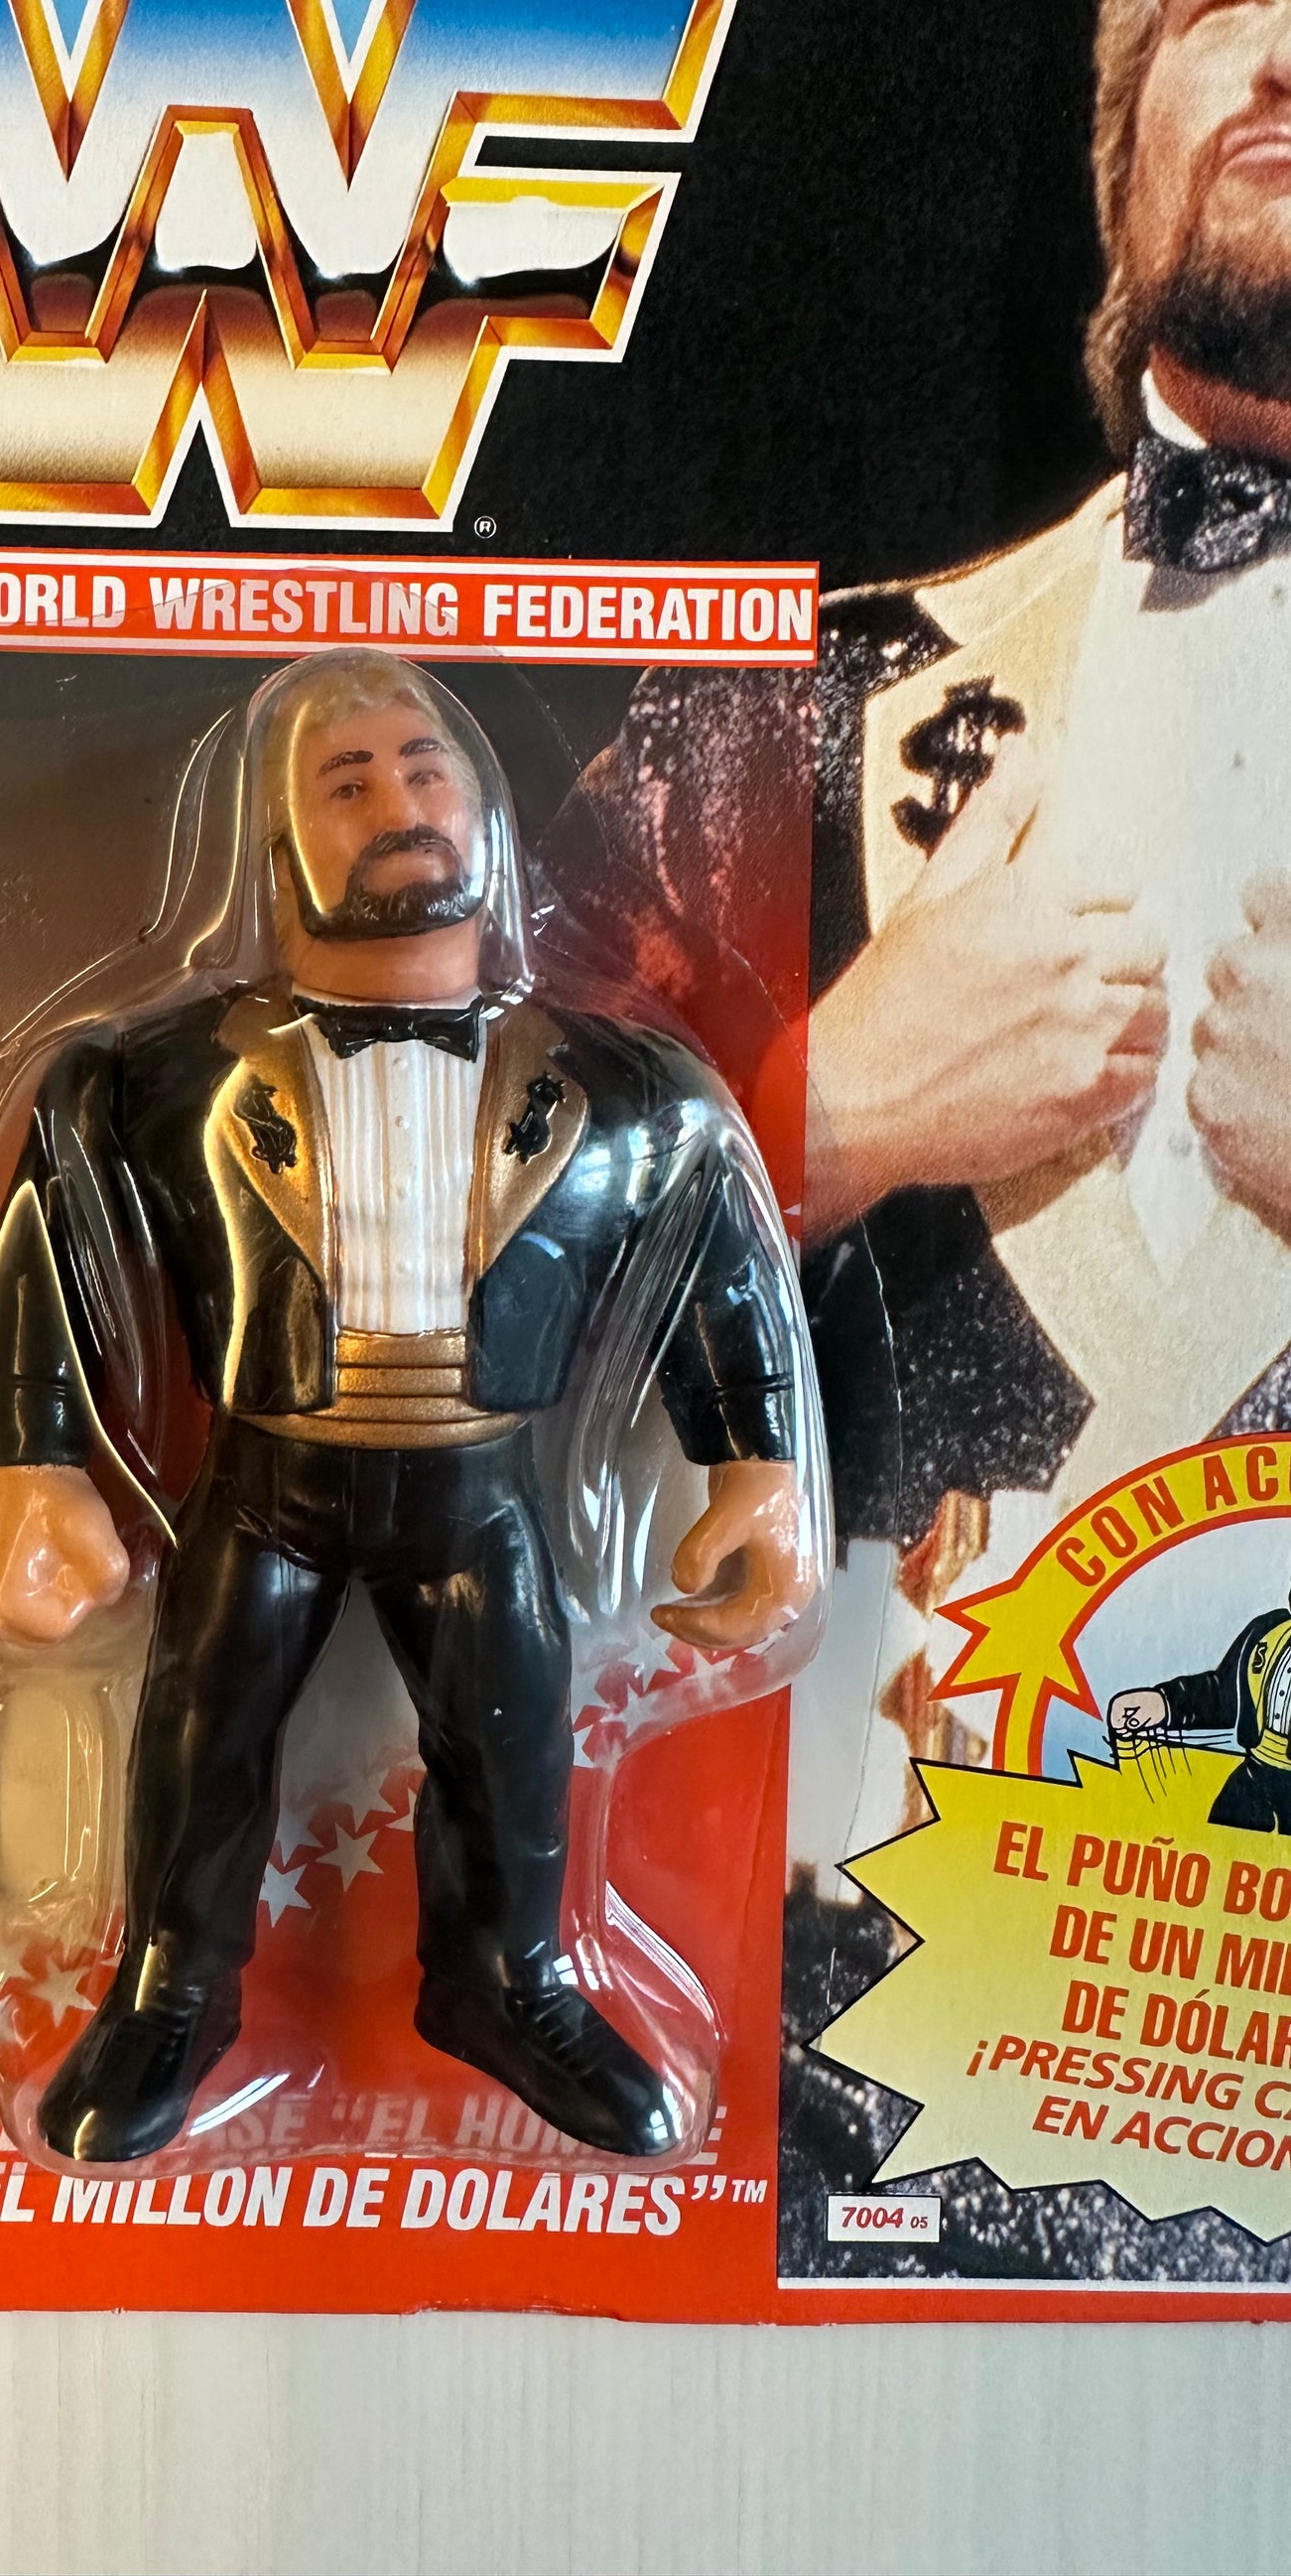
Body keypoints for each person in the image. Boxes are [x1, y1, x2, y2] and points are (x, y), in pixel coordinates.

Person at [570, 0, 1291, 1829]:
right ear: (1116, 159)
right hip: (829, 1944)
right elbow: (396, 1321)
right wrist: (818, 1114)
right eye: (1217, 8)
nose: (1283, 52)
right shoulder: (756, 735)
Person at [0, 649, 820, 2164]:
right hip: (262, 1486)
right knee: (201, 1735)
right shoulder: (155, 1084)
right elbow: (52, 1233)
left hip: (481, 1491)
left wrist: (756, 1462)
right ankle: (170, 1993)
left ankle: (505, 1980)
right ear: (276, 847)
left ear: (487, 817)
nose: (397, 805)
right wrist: (33, 1463)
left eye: (426, 772)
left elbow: (714, 1261)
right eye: (346, 783)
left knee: (512, 1734)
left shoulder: (630, 1097)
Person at [1110, 1592, 1291, 1832]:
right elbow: (1222, 1692)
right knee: (1222, 1830)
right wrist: (1162, 1703)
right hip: (1256, 1771)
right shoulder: (1270, 1630)